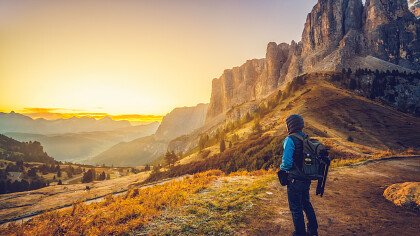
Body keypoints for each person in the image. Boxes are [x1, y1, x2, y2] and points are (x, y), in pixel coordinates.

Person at [280, 114, 318, 236]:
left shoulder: (290, 139)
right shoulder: (306, 138)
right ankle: (313, 230)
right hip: (306, 178)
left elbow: (287, 162)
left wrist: (282, 170)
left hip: (294, 180)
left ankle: (300, 233)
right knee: (306, 204)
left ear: (290, 125)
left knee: (296, 208)